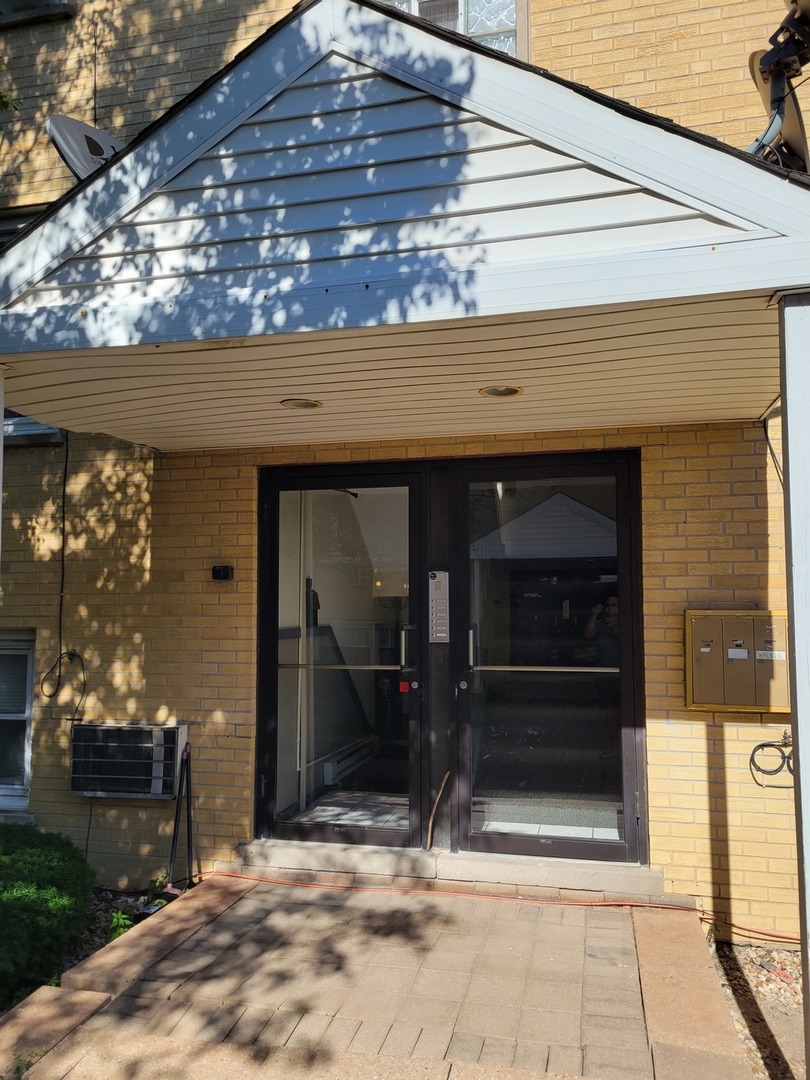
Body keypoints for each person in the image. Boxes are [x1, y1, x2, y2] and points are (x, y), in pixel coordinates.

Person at [584, 596, 619, 667]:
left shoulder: (625, 624)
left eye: (614, 604)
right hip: (602, 668)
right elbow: (588, 634)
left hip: (621, 669)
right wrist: (594, 615)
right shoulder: (599, 624)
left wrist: (613, 628)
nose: (610, 607)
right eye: (607, 605)